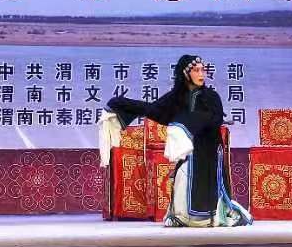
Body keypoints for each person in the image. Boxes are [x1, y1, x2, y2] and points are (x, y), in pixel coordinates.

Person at [98, 54, 252, 227]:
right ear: (186, 73)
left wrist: (186, 123)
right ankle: (183, 217)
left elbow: (215, 118)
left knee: (200, 183)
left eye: (203, 70)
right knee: (182, 178)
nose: (201, 74)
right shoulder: (177, 97)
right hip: (189, 149)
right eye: (196, 70)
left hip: (208, 148)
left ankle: (208, 217)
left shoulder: (211, 96)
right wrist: (120, 104)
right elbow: (154, 109)